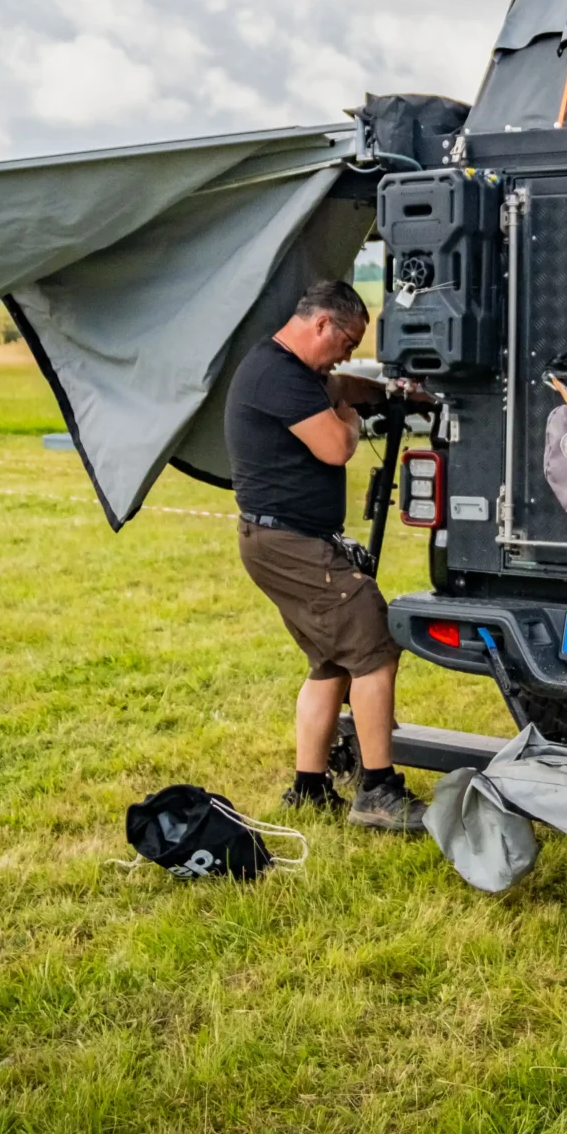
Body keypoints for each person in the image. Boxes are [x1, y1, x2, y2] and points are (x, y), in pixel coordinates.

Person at [224, 280, 432, 833]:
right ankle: (378, 791)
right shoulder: (279, 375)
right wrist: (350, 413)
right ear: (321, 325)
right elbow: (337, 448)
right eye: (346, 340)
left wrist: (394, 396)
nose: (346, 352)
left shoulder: (298, 371)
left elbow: (341, 383)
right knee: (375, 645)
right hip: (288, 542)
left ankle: (309, 786)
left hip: (280, 539)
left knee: (332, 661)